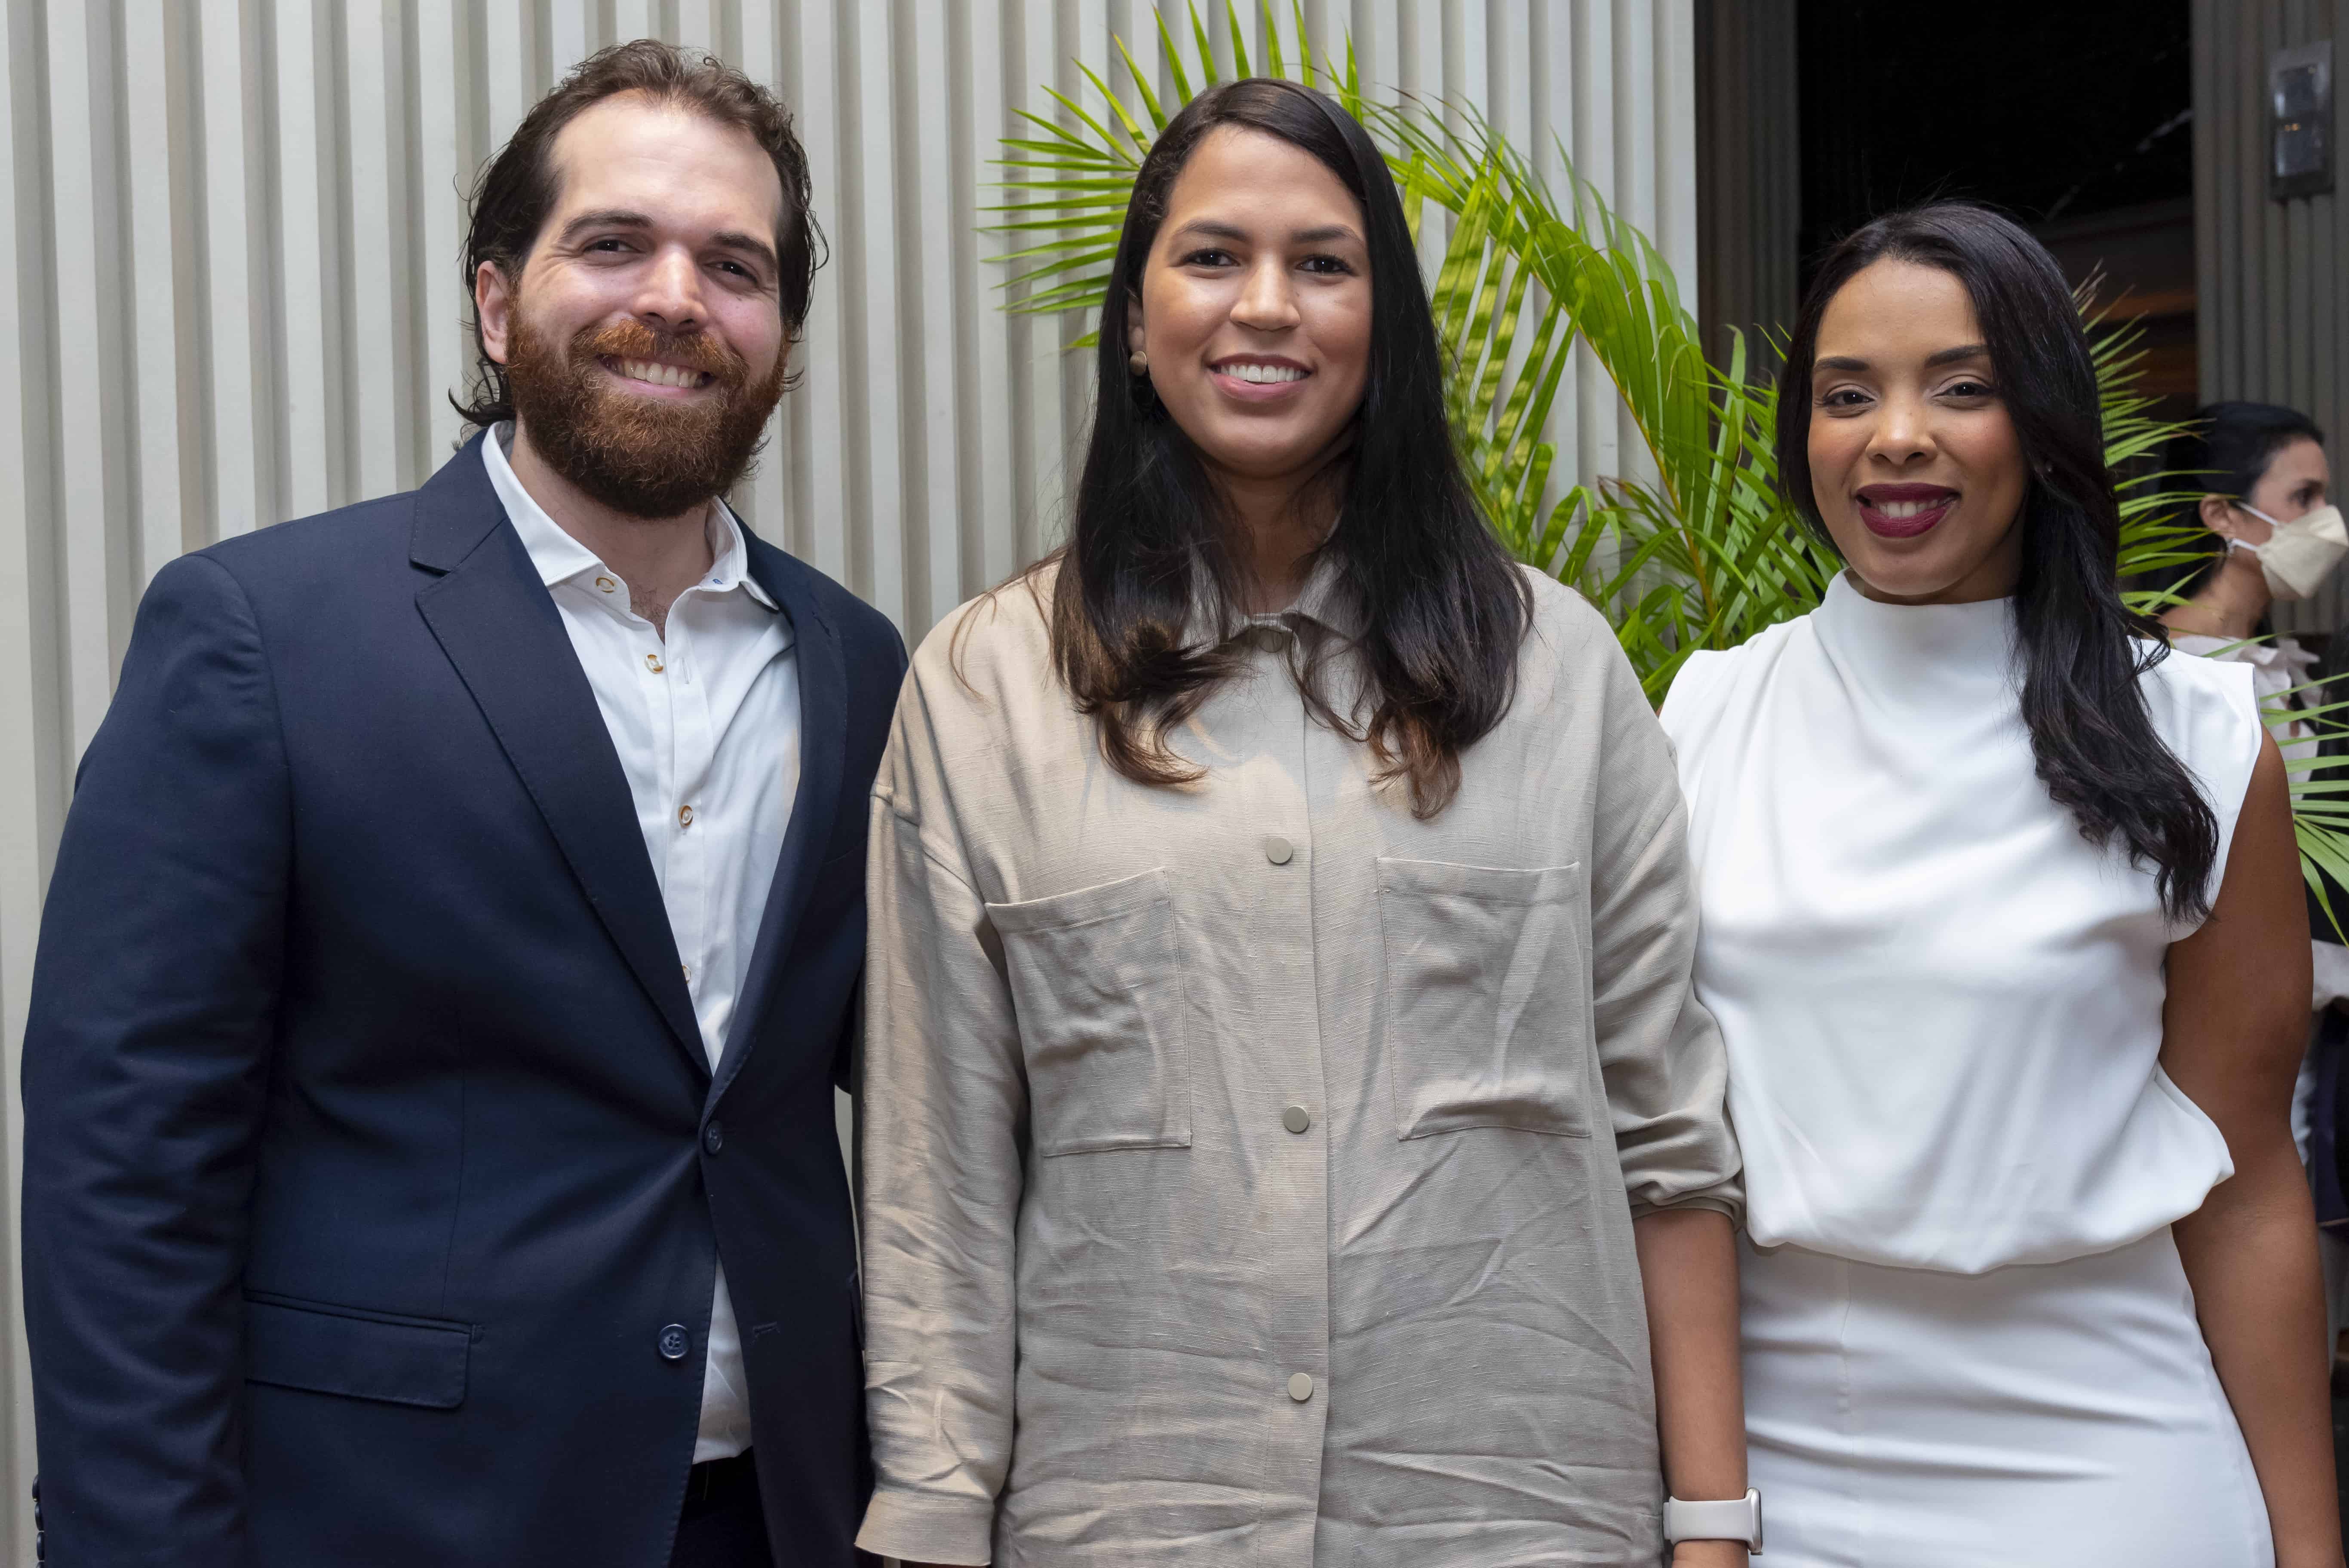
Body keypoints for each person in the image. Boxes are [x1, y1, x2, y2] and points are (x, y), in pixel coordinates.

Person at [19, 41, 901, 1568]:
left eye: (735, 265)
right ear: (498, 301)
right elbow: (125, 1165)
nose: (677, 298)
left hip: (783, 1515)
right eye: (613, 242)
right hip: (397, 1515)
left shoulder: (858, 661)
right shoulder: (263, 634)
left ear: (783, 334)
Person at [855, 78, 1752, 1568]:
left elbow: (1668, 1130)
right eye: (1211, 258)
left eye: (1324, 265)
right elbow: (936, 1170)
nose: (1265, 306)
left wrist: (1712, 1529)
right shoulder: (982, 687)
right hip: (1130, 1513)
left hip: (1515, 1511)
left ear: (1383, 326)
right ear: (1135, 324)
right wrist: (939, 1514)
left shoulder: (1560, 669)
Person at [1659, 202, 2343, 1566]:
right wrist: (1704, 1521)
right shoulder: (1702, 715)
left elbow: (2252, 1183)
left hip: (2111, 1463)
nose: (1895, 434)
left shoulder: (2197, 739)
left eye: (1960, 389)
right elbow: (1657, 1155)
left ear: (2041, 425)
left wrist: (2311, 1550)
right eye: (1848, 394)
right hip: (1775, 1468)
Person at [2159, 402, 2349, 1356]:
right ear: (2223, 519)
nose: (2328, 523)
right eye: (2303, 497)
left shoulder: (2285, 669)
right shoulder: (2166, 675)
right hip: (2221, 1025)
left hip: (2305, 1020)